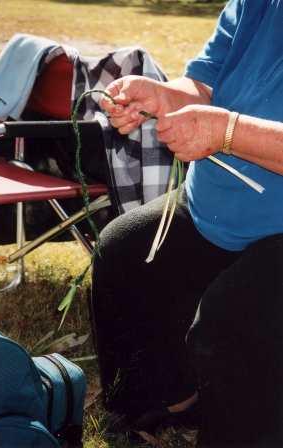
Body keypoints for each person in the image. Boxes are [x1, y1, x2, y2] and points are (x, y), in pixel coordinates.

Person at [92, 0, 283, 445]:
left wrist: (228, 132)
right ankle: (168, 402)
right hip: (217, 203)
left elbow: (225, 125)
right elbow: (204, 82)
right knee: (124, 251)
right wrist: (161, 96)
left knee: (233, 321)